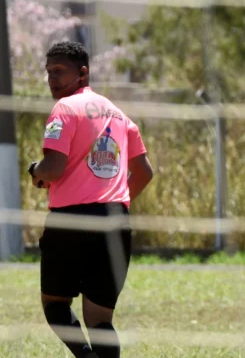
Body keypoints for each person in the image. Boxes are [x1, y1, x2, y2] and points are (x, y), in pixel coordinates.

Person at [29, 42, 154, 358]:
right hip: (116, 222)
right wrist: (117, 201)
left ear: (82, 72)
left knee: (55, 303)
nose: (52, 79)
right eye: (49, 73)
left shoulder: (65, 109)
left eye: (59, 71)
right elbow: (144, 173)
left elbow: (53, 168)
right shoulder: (120, 114)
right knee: (100, 318)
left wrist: (35, 170)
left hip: (70, 221)